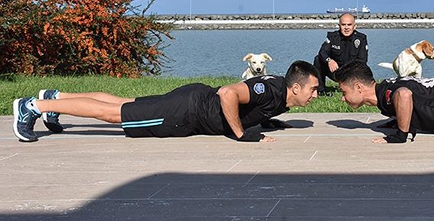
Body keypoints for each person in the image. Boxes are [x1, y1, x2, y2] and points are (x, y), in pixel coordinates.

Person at [12, 60, 319, 143]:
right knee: (115, 114)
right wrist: (240, 133)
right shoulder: (272, 91)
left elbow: (253, 105)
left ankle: (57, 98)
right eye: (313, 89)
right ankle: (33, 106)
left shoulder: (279, 93)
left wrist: (267, 121)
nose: (316, 94)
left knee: (124, 101)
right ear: (295, 88)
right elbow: (228, 93)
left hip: (192, 99)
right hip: (185, 111)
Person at [313, 12, 368, 95]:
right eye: (343, 25)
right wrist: (329, 60)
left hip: (351, 73)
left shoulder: (361, 39)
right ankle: (321, 91)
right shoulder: (333, 37)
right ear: (339, 26)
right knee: (318, 59)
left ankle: (355, 88)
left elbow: (363, 61)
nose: (346, 27)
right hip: (335, 71)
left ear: (355, 26)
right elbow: (322, 52)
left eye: (349, 25)